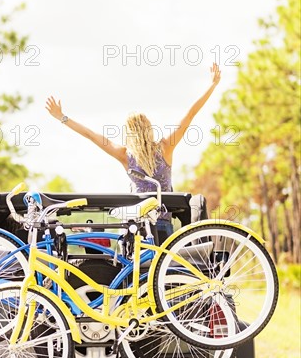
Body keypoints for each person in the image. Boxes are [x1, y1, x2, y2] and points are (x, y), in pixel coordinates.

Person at [45, 63, 221, 244]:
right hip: (162, 225)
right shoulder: (166, 147)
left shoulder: (125, 155)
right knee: (160, 270)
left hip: (135, 227)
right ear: (149, 129)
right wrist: (212, 85)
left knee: (135, 271)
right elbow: (190, 114)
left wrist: (62, 117)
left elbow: (91, 135)